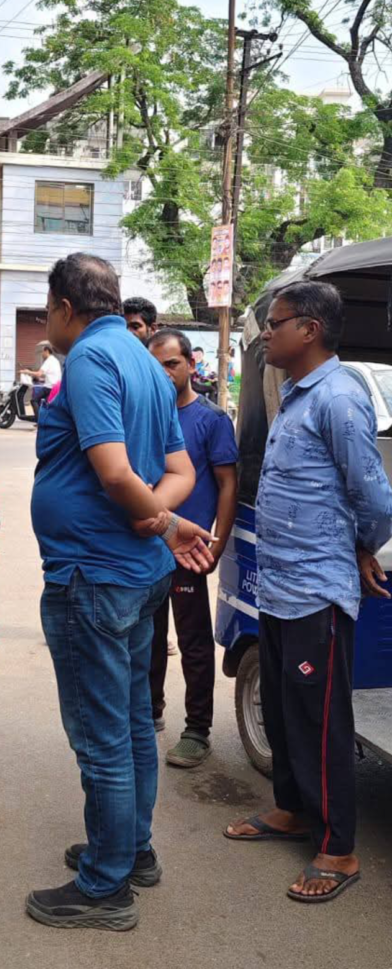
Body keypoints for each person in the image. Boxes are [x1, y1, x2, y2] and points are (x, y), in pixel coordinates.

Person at [27, 253, 216, 931]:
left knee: (102, 734)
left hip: (94, 575)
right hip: (134, 574)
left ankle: (104, 887)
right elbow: (179, 470)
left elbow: (113, 472)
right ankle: (130, 849)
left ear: (64, 307)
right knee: (133, 721)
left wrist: (157, 520)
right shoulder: (143, 359)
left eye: (47, 312)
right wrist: (159, 517)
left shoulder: (87, 358)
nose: (47, 325)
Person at [225, 281, 392, 903]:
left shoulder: (339, 398)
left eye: (277, 323)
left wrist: (362, 547)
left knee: (321, 721)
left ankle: (338, 848)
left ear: (311, 330)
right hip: (280, 585)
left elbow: (374, 496)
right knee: (285, 708)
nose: (267, 333)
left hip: (316, 589)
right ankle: (292, 810)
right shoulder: (297, 394)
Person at [147, 329, 238, 763]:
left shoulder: (211, 419)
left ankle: (197, 730)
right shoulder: (145, 415)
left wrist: (216, 544)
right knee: (147, 636)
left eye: (172, 364)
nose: (165, 373)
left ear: (191, 364)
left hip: (190, 551)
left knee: (194, 642)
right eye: (156, 366)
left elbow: (227, 484)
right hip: (148, 546)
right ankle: (149, 711)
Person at [24, 343, 62, 420]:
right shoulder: (55, 361)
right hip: (56, 387)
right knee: (43, 403)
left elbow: (39, 373)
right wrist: (42, 379)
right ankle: (42, 418)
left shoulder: (48, 361)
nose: (42, 354)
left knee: (34, 400)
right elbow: (51, 374)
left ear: (46, 351)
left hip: (49, 387)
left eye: (42, 352)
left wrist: (27, 372)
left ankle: (39, 419)